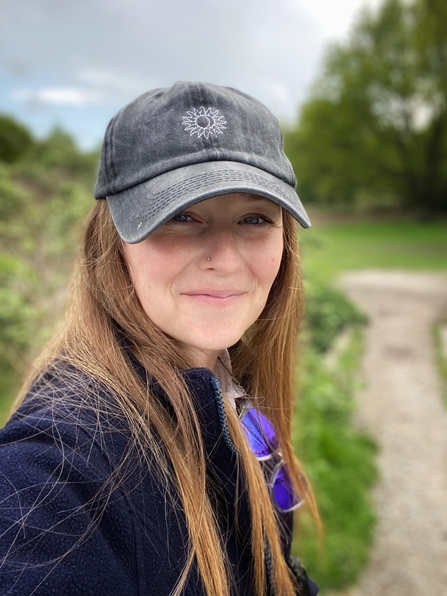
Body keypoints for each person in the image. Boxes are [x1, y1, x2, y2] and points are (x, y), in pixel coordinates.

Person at [0, 81, 319, 596]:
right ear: (114, 242)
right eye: (179, 216)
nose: (226, 258)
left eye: (255, 217)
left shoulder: (228, 382)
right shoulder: (56, 470)